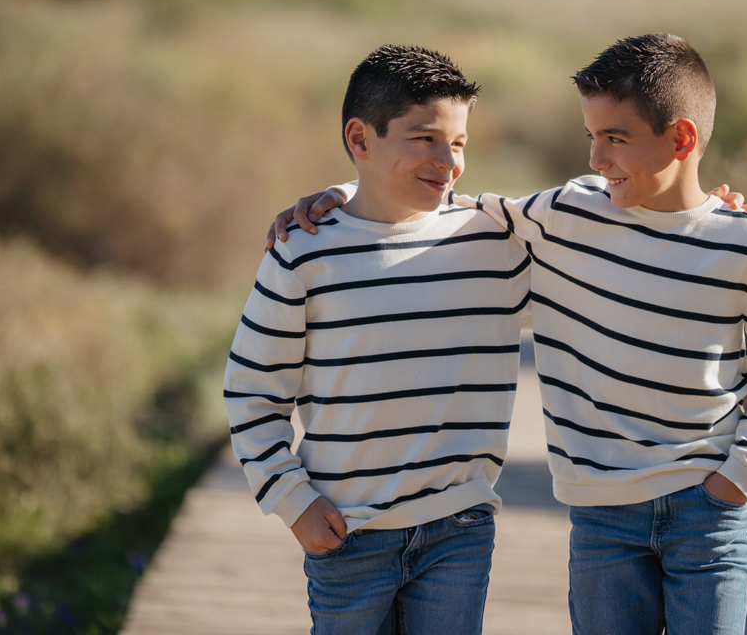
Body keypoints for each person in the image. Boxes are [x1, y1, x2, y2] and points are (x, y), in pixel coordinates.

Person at [274, 33, 747, 635]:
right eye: (591, 138)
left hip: (710, 514)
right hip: (602, 516)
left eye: (616, 139)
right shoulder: (566, 216)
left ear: (682, 139)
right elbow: (429, 202)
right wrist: (342, 194)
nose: (596, 159)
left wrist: (739, 478)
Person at [225, 44, 531, 635]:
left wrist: (705, 210)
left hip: (457, 526)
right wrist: (293, 501)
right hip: (345, 531)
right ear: (359, 139)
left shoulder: (494, 244)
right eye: (424, 139)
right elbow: (251, 391)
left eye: (460, 142)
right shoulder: (303, 251)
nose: (448, 161)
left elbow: (609, 254)